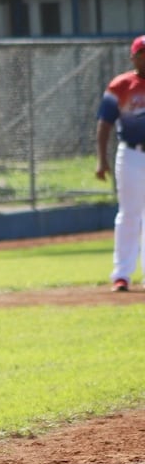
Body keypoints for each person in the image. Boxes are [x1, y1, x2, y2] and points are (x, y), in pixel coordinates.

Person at [95, 34, 145, 292]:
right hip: (131, 155)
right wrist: (101, 159)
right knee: (129, 214)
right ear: (133, 57)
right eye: (143, 53)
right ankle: (122, 274)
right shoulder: (121, 85)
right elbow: (104, 124)